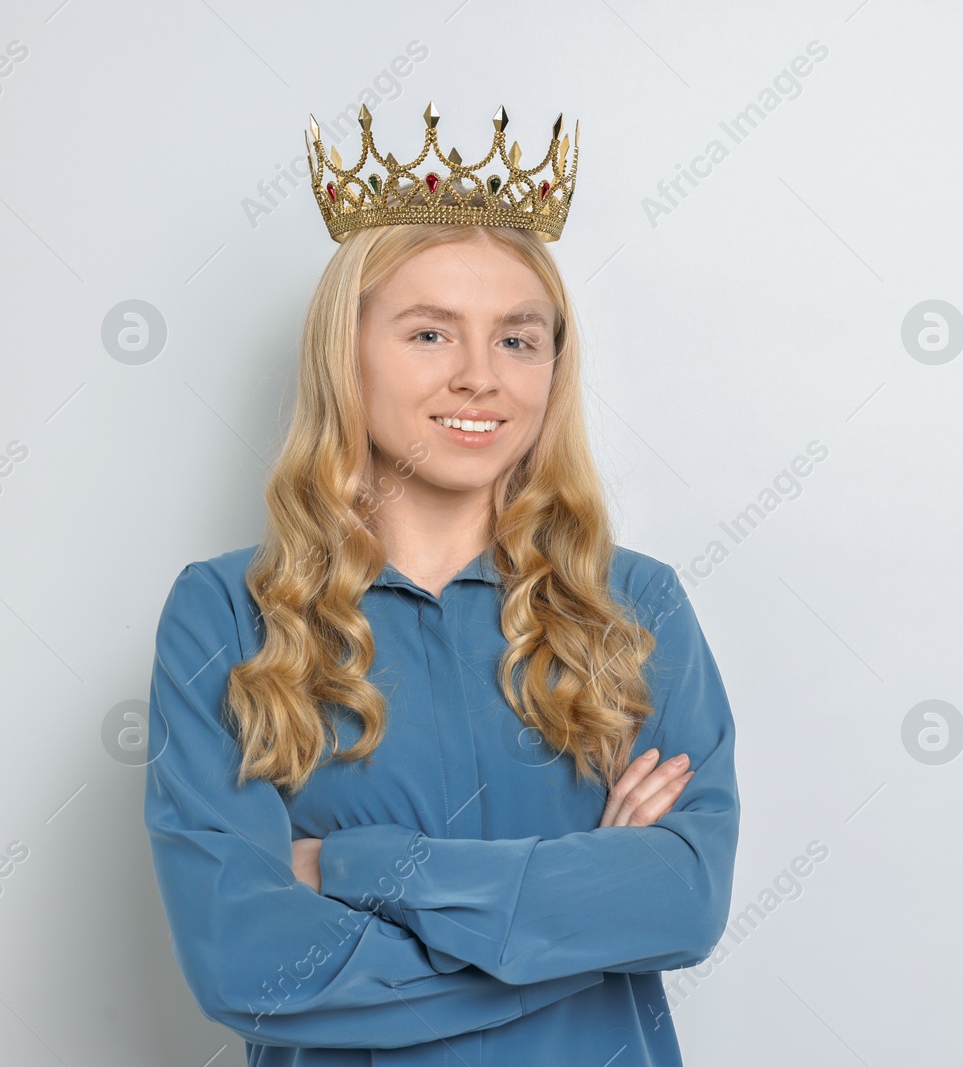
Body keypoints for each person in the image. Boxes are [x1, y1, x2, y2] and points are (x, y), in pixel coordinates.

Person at [143, 102, 739, 1065]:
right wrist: (580, 914)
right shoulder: (225, 615)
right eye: (428, 334)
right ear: (348, 355)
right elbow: (247, 964)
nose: (480, 377)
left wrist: (354, 866)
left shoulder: (639, 608)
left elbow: (684, 902)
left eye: (518, 338)